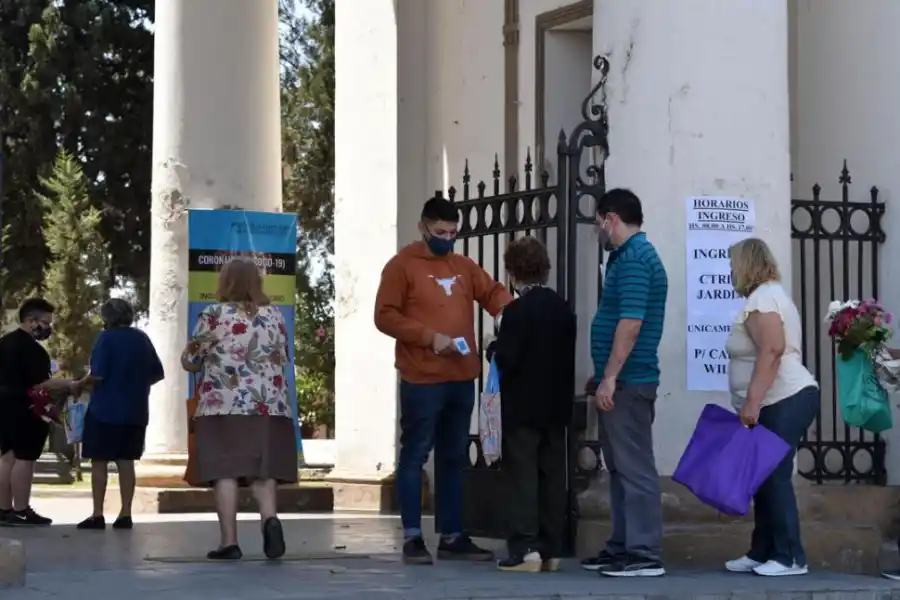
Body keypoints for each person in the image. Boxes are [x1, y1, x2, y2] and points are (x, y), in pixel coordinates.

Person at [374, 196, 513, 565]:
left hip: (461, 377)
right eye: (440, 232)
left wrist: (510, 311)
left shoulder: (463, 266)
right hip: (422, 378)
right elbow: (384, 316)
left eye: (453, 233)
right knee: (416, 455)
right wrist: (428, 337)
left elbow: (492, 291)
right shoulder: (401, 266)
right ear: (423, 227)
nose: (447, 239)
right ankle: (413, 537)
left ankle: (452, 534)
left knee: (453, 457)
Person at [180, 258, 297, 560]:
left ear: (226, 282)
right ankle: (269, 518)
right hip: (270, 406)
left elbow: (191, 359)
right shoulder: (274, 316)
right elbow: (282, 356)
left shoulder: (214, 314)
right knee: (263, 471)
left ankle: (229, 543)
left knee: (225, 471)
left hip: (224, 404)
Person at [581, 188, 668, 578]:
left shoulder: (634, 259)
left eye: (598, 222)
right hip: (621, 381)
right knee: (619, 469)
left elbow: (630, 325)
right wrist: (602, 375)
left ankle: (644, 554)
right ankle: (622, 547)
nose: (598, 230)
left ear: (611, 218)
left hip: (629, 383)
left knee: (634, 470)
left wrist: (611, 377)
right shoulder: (628, 258)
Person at [723, 237, 819, 577]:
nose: (730, 270)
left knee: (774, 475)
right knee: (762, 476)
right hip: (777, 400)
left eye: (733, 263)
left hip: (784, 398)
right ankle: (762, 551)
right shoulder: (765, 296)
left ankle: (790, 557)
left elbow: (772, 349)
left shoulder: (762, 298)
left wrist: (752, 401)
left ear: (747, 264)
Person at [485, 236, 576, 573]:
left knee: (522, 476)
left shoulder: (517, 312)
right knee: (552, 475)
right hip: (556, 406)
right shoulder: (562, 308)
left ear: (513, 272)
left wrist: (492, 349)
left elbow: (508, 357)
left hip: (523, 407)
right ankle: (551, 548)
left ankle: (525, 548)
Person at [76, 298, 164, 531]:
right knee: (127, 462)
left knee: (99, 461)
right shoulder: (142, 339)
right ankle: (125, 513)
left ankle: (97, 514)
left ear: (107, 318)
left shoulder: (106, 339)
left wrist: (79, 384)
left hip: (104, 410)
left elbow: (98, 375)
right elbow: (157, 373)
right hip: (135, 410)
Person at [0, 298, 81, 526]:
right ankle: (22, 509)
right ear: (30, 320)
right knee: (25, 459)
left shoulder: (3, 342)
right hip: (26, 408)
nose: (48, 328)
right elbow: (41, 384)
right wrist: (69, 384)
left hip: (4, 406)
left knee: (7, 457)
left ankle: (4, 510)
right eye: (45, 322)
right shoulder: (31, 349)